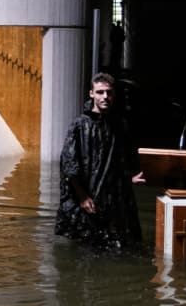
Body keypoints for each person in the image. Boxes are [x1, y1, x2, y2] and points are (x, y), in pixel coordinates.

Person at [55, 72, 146, 250]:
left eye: (109, 92)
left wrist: (128, 179)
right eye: (100, 92)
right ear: (91, 93)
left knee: (117, 244)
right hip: (88, 197)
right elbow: (69, 163)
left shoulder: (119, 124)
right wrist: (82, 196)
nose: (105, 97)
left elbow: (119, 160)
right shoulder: (80, 125)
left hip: (113, 197)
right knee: (87, 246)